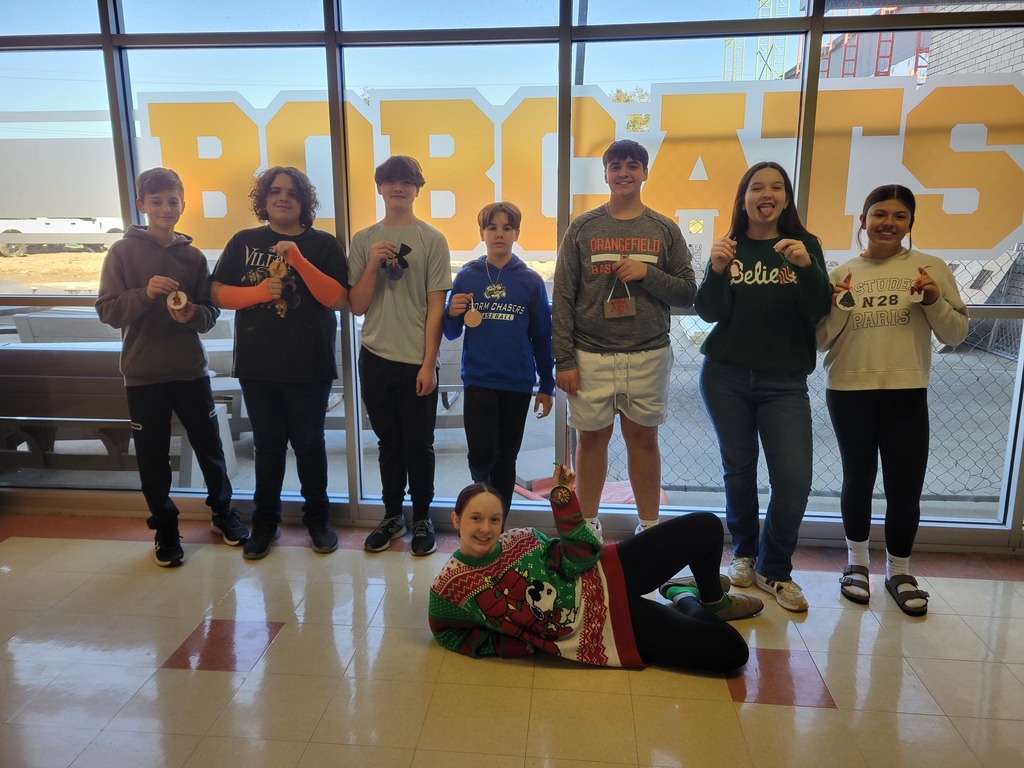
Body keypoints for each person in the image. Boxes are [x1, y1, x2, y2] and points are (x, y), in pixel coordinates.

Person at [428, 465, 761, 672]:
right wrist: (507, 647)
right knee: (732, 652)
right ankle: (682, 594)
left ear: (503, 522)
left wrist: (562, 499)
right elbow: (445, 631)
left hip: (610, 571)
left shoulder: (523, 539)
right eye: (475, 518)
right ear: (456, 519)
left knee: (706, 526)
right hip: (607, 632)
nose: (485, 528)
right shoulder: (448, 587)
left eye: (494, 519)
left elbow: (582, 555)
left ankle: (714, 601)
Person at [817, 184, 968, 616]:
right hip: (848, 389)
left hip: (906, 390)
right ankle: (857, 565)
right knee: (858, 480)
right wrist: (841, 307)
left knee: (905, 487)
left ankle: (900, 571)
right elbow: (819, 341)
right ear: (862, 220)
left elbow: (955, 334)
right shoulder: (840, 273)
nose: (888, 223)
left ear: (910, 224)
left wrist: (935, 301)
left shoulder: (930, 268)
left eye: (899, 216)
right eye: (879, 214)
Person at [693, 161, 833, 613]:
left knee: (793, 480)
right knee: (739, 470)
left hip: (784, 382)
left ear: (786, 199)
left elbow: (818, 307)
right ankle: (746, 554)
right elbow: (709, 313)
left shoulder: (803, 245)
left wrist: (805, 267)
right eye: (757, 187)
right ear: (744, 198)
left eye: (776, 187)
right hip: (725, 375)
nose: (766, 194)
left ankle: (776, 569)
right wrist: (716, 270)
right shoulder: (730, 247)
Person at [96, 167, 248, 567]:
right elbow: (108, 311)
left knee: (209, 447)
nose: (166, 208)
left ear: (183, 204)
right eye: (157, 201)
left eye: (173, 201)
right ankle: (165, 528)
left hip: (190, 370)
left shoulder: (193, 256)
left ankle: (222, 513)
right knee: (153, 456)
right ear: (141, 204)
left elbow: (210, 312)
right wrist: (144, 294)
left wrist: (193, 314)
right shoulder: (122, 253)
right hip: (144, 374)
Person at [551, 139, 695, 538]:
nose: (624, 173)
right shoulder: (582, 227)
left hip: (648, 353)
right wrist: (563, 360)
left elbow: (687, 291)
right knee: (591, 441)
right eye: (616, 166)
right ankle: (587, 526)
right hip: (589, 354)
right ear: (606, 174)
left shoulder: (664, 228)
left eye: (633, 165)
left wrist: (647, 274)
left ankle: (649, 527)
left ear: (645, 172)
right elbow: (562, 295)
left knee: (643, 440)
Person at [211, 166, 349, 560]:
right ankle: (265, 523)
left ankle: (318, 521)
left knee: (309, 444)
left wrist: (299, 260)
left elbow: (337, 298)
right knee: (268, 447)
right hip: (258, 364)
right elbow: (218, 292)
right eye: (274, 191)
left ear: (304, 201)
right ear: (264, 199)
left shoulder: (324, 244)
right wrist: (258, 291)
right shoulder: (243, 241)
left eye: (291, 192)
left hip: (310, 363)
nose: (283, 197)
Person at [349, 156, 452, 556]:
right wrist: (373, 263)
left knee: (418, 443)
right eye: (390, 181)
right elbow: (357, 306)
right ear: (379, 188)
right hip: (374, 354)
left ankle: (423, 516)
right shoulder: (363, 240)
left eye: (406, 182)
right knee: (388, 442)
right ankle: (393, 515)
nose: (398, 187)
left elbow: (435, 307)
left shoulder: (432, 240)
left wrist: (429, 363)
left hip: (416, 359)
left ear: (417, 189)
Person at [443, 201, 554, 520]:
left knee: (506, 459)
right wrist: (452, 312)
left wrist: (546, 385)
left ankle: (498, 523)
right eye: (492, 227)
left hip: (517, 383)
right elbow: (451, 332)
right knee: (480, 456)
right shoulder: (467, 276)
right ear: (482, 233)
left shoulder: (530, 281)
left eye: (507, 227)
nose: (499, 234)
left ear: (517, 233)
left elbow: (541, 336)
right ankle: (481, 513)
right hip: (479, 380)